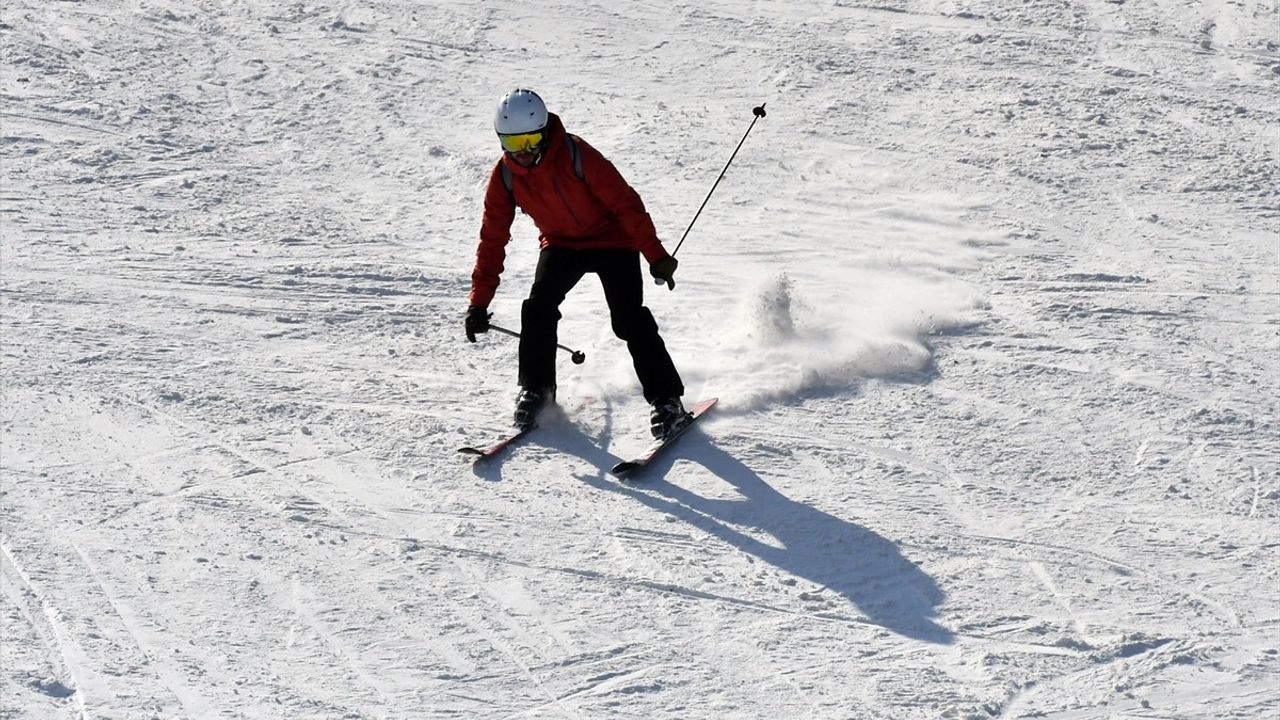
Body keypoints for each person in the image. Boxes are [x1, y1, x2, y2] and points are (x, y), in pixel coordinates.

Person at [465, 88, 691, 438]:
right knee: (538, 308)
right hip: (561, 245)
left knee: (629, 319)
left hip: (613, 240)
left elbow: (625, 204)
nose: (523, 152)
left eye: (530, 140)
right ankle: (537, 391)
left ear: (544, 132)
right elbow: (492, 240)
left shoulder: (577, 155)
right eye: (512, 143)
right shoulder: (505, 177)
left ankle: (667, 401)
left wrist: (656, 256)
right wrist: (478, 303)